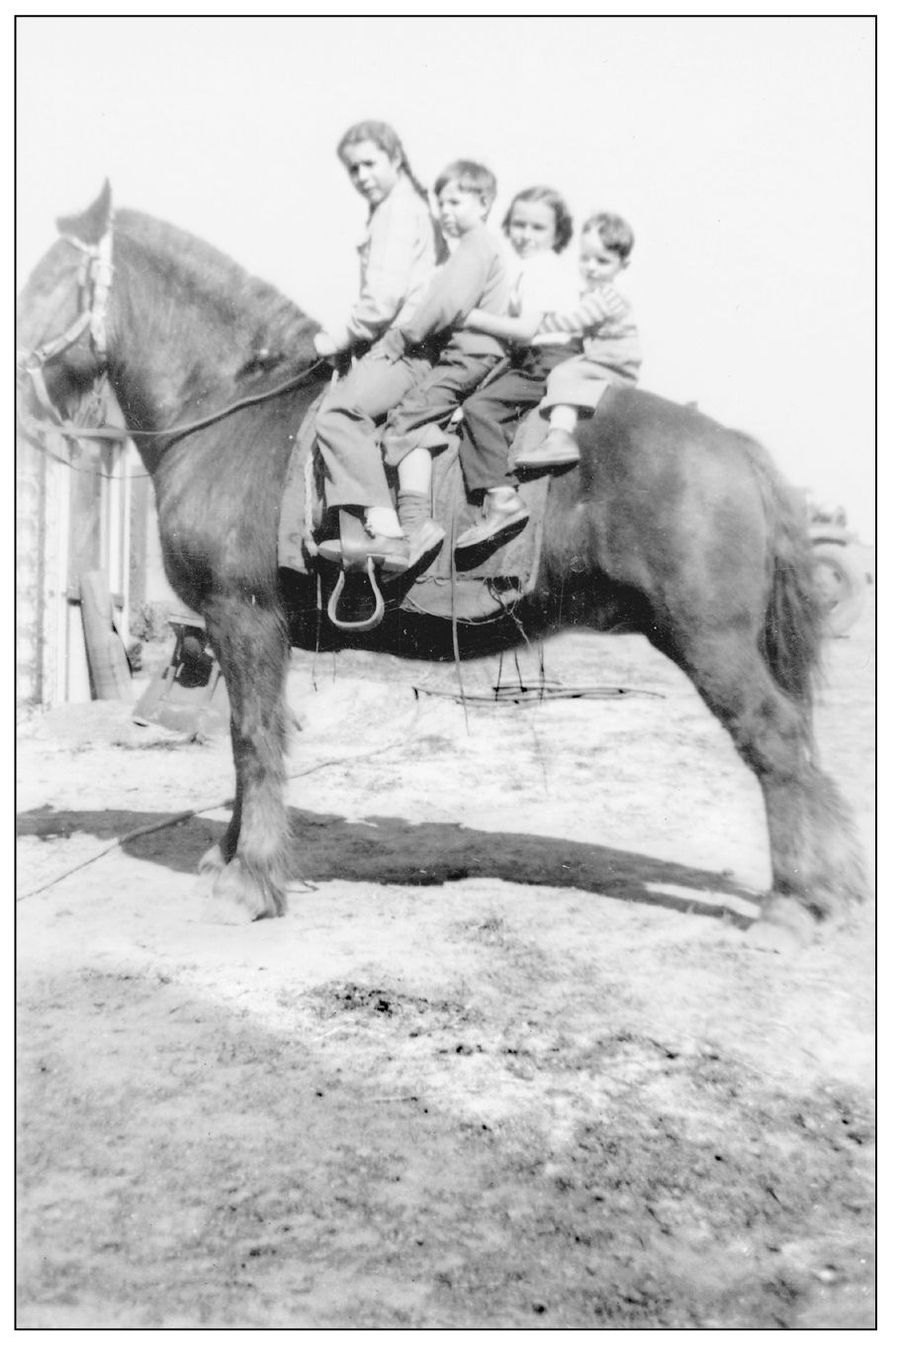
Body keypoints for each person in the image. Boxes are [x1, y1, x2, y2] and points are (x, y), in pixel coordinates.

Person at [311, 120, 440, 573]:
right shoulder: (401, 208)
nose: (362, 175)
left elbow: (384, 298)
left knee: (338, 414)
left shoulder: (397, 210)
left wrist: (337, 337)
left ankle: (385, 532)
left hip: (402, 348)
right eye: (353, 169)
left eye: (370, 163)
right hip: (400, 344)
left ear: (396, 159)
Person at [376, 160, 512, 549]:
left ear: (484, 204)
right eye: (441, 204)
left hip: (469, 356)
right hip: (475, 354)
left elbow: (445, 303)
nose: (446, 213)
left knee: (404, 418)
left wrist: (405, 337)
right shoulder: (482, 247)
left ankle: (415, 523)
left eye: (456, 202)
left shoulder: (474, 246)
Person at [450, 185, 578, 557]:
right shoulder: (529, 269)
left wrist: (468, 316)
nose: (525, 235)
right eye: (519, 224)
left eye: (538, 228)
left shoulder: (543, 269)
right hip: (536, 356)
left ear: (558, 233)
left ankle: (502, 498)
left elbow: (525, 331)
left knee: (480, 410)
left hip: (548, 359)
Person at [514, 211, 641, 469]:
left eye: (602, 261)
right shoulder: (592, 292)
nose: (591, 267)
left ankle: (560, 436)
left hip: (613, 361)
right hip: (603, 356)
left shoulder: (607, 296)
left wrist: (529, 327)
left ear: (622, 266)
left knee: (564, 374)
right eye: (585, 258)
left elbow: (571, 322)